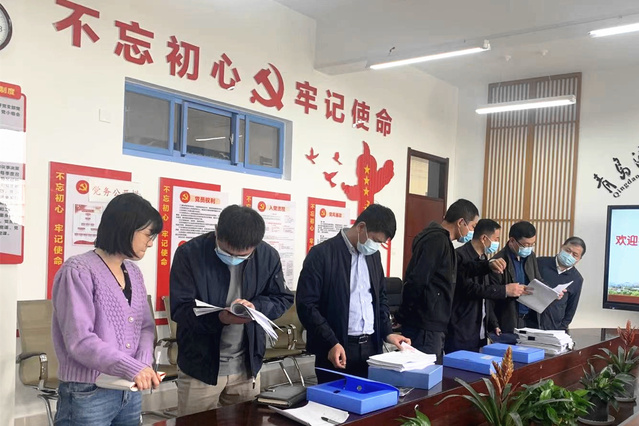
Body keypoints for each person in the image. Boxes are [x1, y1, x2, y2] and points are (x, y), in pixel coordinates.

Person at [51, 193, 163, 426]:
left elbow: (145, 326)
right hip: (88, 391)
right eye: (148, 235)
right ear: (126, 228)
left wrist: (142, 364)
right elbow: (80, 340)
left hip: (129, 388)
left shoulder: (134, 272)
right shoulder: (78, 271)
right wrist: (132, 368)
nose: (151, 243)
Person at [170, 205, 293, 415]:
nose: (234, 258)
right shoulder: (189, 254)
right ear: (217, 231)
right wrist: (220, 318)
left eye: (243, 256)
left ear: (255, 245)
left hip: (247, 366)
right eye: (228, 252)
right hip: (200, 366)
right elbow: (180, 309)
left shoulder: (268, 256)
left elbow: (282, 298)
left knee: (245, 420)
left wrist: (257, 307)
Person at [297, 204, 410, 382]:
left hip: (371, 348)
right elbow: (307, 305)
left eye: (381, 243)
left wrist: (388, 332)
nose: (376, 246)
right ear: (361, 227)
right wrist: (331, 342)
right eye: (375, 240)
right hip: (337, 348)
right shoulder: (322, 254)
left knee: (371, 398)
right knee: (335, 397)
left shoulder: (373, 256)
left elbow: (380, 297)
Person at [396, 199, 506, 363]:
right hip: (425, 324)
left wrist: (487, 266)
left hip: (434, 324)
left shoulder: (445, 242)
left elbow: (462, 269)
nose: (472, 231)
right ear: (461, 222)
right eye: (472, 227)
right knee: (427, 370)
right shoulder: (436, 240)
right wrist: (402, 314)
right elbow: (417, 280)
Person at [445, 219, 529, 353]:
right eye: (496, 239)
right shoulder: (459, 256)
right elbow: (470, 289)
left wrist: (493, 323)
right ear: (484, 238)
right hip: (461, 326)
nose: (497, 243)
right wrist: (505, 290)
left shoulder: (484, 258)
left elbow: (486, 297)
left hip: (480, 328)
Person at [489, 221, 544, 334]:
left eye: (532, 244)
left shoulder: (531, 256)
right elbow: (490, 296)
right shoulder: (499, 261)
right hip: (509, 320)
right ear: (512, 240)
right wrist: (494, 323)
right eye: (526, 245)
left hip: (530, 318)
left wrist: (551, 292)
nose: (529, 248)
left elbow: (537, 279)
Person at [537, 237, 586, 330]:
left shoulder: (577, 279)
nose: (569, 255)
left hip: (554, 328)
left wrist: (562, 328)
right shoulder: (539, 263)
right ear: (562, 247)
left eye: (575, 255)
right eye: (568, 250)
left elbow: (571, 309)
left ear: (579, 259)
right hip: (529, 323)